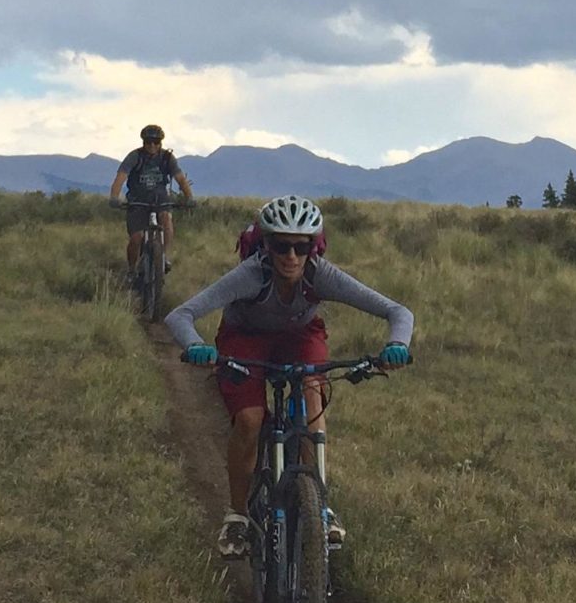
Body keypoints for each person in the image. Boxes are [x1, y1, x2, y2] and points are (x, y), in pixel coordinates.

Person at [165, 195, 414, 558]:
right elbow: (180, 315)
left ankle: (320, 505)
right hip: (245, 338)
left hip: (300, 336)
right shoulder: (251, 274)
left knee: (312, 404)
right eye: (281, 245)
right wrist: (196, 346)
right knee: (250, 420)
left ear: (315, 247)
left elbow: (397, 311)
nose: (291, 256)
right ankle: (237, 515)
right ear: (266, 244)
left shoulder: (320, 274)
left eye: (302, 246)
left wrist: (397, 345)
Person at [108, 123, 196, 285]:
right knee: (136, 238)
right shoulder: (134, 157)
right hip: (138, 200)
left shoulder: (167, 158)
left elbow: (180, 179)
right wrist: (114, 197)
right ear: (143, 142)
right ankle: (132, 270)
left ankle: (163, 257)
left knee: (166, 219)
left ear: (161, 143)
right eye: (148, 142)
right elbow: (120, 177)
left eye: (156, 142)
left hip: (160, 199)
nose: (152, 146)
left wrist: (189, 197)